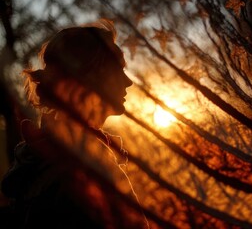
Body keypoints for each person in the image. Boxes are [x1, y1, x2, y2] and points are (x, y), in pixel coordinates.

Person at [0, 20, 146, 228]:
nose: (128, 81)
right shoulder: (86, 165)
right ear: (91, 78)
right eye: (118, 70)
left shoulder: (37, 156)